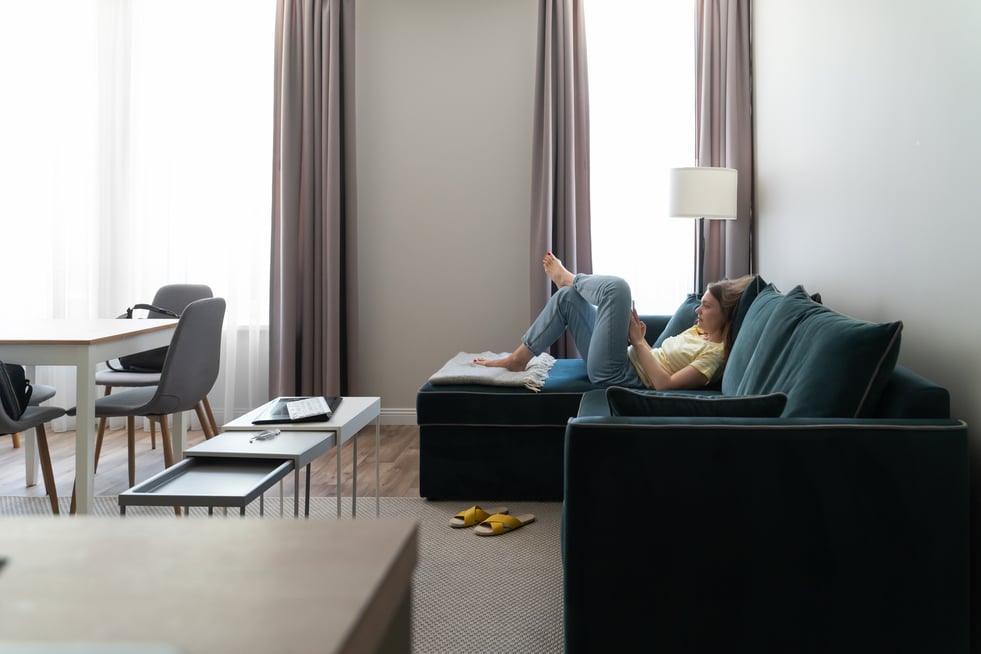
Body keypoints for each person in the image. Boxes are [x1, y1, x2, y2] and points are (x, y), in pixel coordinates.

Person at [475, 253, 754, 390]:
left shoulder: (713, 356)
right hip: (621, 358)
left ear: (726, 313)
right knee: (569, 299)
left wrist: (638, 340)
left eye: (705, 306)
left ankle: (568, 278)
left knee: (618, 288)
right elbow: (659, 356)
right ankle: (519, 358)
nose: (698, 311)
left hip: (620, 375)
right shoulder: (699, 332)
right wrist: (638, 341)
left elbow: (664, 384)